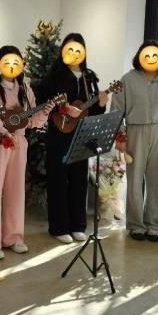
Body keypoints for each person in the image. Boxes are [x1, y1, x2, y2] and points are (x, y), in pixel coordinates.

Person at [0, 46, 53, 260]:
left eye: (16, 62)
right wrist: (3, 131)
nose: (11, 66)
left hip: (19, 143)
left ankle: (13, 237)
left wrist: (44, 113)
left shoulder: (25, 88)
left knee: (16, 190)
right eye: (7, 62)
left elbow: (32, 120)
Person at [111, 40, 158, 241]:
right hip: (135, 132)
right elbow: (116, 111)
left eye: (155, 55)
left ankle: (154, 225)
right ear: (140, 57)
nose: (151, 59)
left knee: (156, 181)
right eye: (147, 55)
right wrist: (121, 136)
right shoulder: (127, 80)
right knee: (134, 180)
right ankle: (136, 225)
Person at [39, 33, 108, 244]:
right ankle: (58, 227)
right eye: (70, 49)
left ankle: (78, 225)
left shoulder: (89, 77)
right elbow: (43, 104)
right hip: (58, 134)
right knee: (58, 179)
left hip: (81, 135)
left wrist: (101, 103)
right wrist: (62, 109)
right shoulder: (54, 77)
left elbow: (92, 111)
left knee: (79, 179)